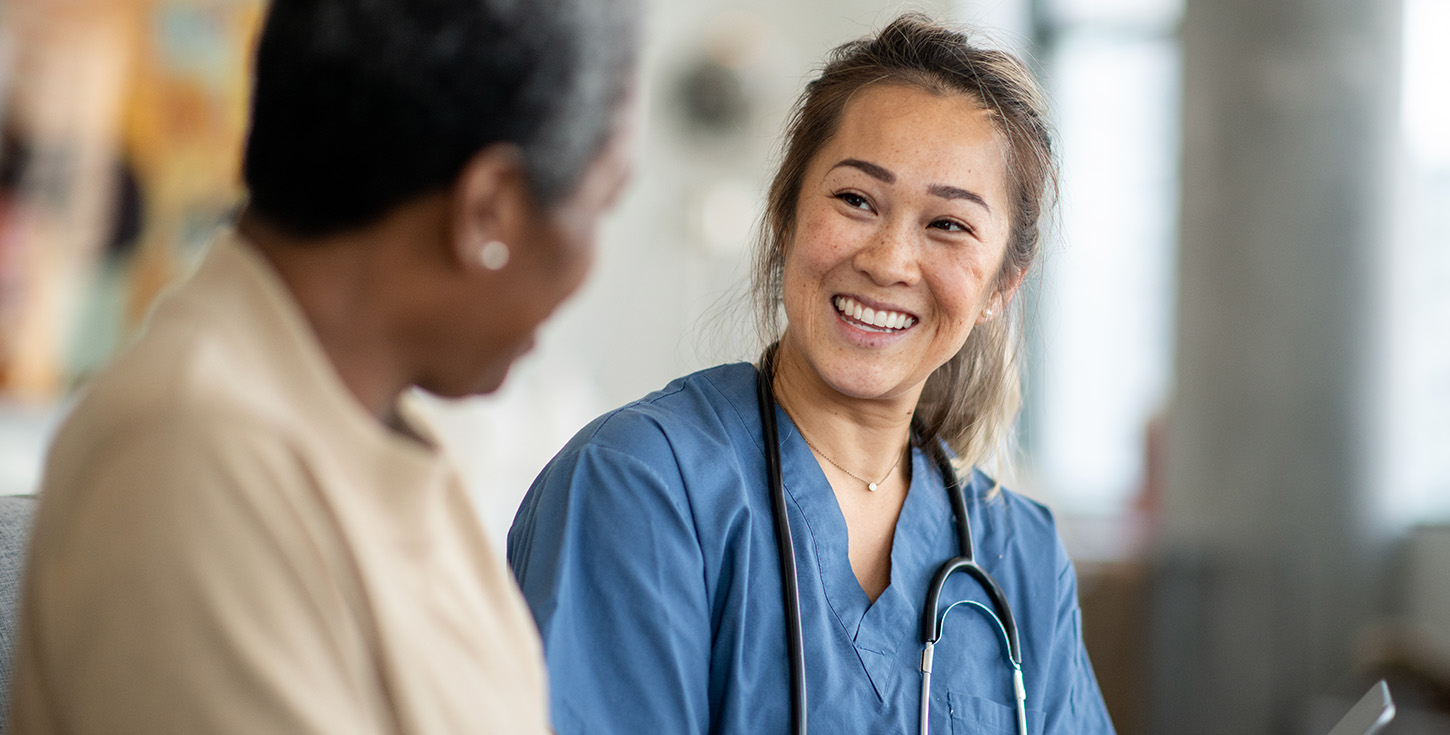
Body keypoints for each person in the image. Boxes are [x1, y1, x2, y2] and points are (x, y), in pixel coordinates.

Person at [8, 0, 638, 732]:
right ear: (488, 210)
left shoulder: (375, 434)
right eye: (601, 204)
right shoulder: (193, 451)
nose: (590, 265)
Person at [507, 14, 1116, 735]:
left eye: (948, 224)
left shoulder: (1022, 557)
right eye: (856, 200)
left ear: (1001, 289)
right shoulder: (639, 486)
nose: (889, 260)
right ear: (786, 214)